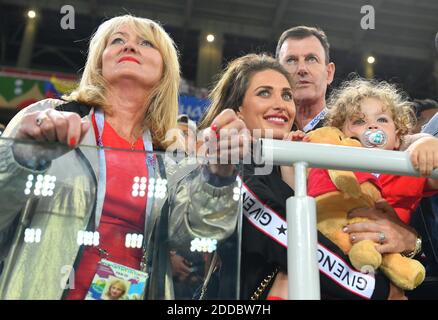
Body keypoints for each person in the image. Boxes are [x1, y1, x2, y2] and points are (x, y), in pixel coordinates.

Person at [0, 14, 246, 299]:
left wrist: (219, 175)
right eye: (117, 40)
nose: (129, 47)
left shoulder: (173, 152)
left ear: (165, 69)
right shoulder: (48, 118)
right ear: (99, 60)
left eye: (146, 43)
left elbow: (196, 235)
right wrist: (23, 155)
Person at [199, 53, 409, 299]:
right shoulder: (230, 164)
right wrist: (379, 289)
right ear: (239, 111)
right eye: (264, 93)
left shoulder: (303, 161)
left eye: (287, 95)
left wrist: (408, 243)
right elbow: (290, 239)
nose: (280, 104)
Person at [325, 77, 438, 225]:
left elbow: (434, 180)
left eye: (382, 120)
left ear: (397, 137)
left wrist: (428, 143)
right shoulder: (333, 169)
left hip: (391, 246)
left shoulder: (405, 169)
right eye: (359, 121)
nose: (372, 126)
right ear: (340, 135)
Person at [276, 26, 334, 133]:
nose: (301, 69)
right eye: (291, 60)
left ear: (329, 73)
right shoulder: (266, 130)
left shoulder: (349, 130)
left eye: (311, 59)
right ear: (277, 74)